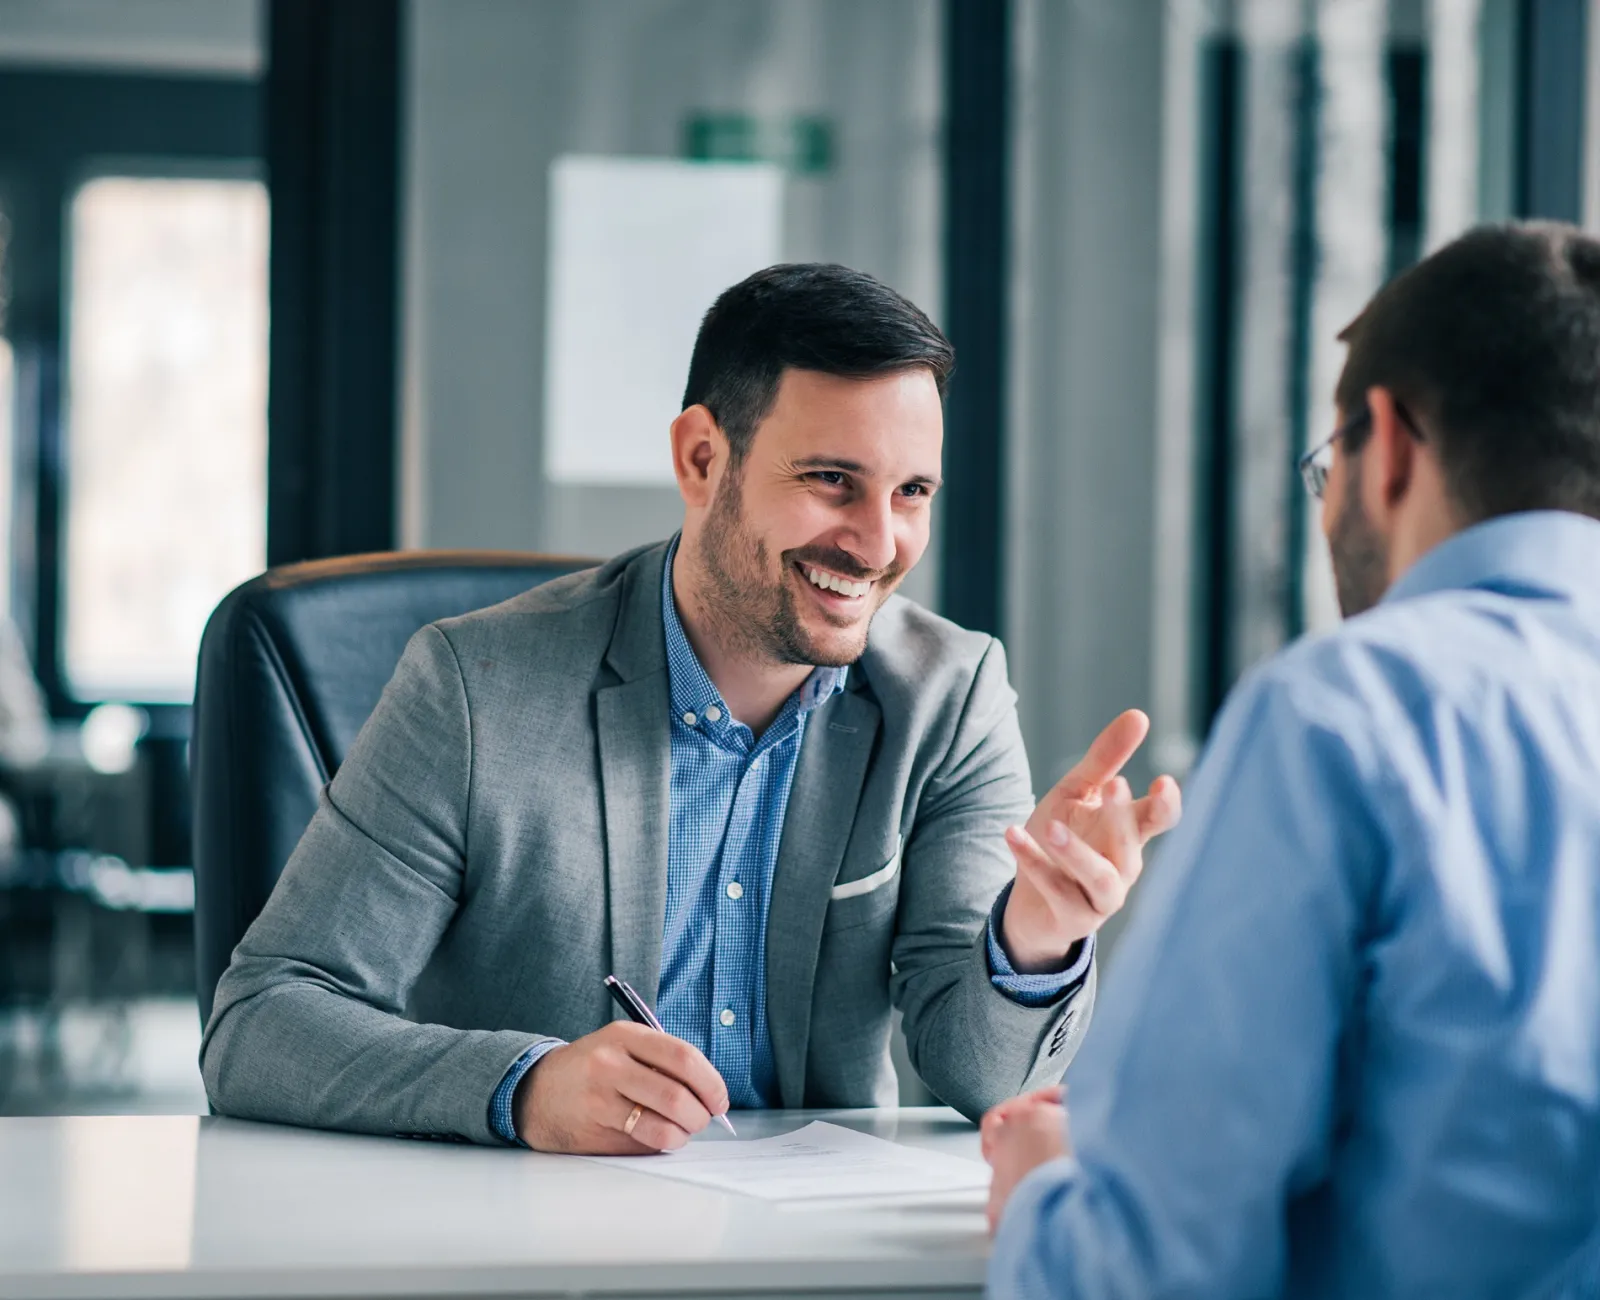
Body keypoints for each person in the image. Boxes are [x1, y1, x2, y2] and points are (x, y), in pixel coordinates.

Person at [201, 263, 1181, 1153]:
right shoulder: (472, 687)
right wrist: (525, 1086)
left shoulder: (947, 697)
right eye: (832, 481)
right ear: (703, 460)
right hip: (534, 1250)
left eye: (911, 491)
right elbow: (262, 1022)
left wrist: (1037, 936)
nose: (877, 542)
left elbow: (982, 1076)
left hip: (811, 1260)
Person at [983, 221, 1600, 1298]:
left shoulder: (1346, 713)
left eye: (1327, 464)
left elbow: (1154, 1271)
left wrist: (1043, 1195)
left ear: (1391, 444)